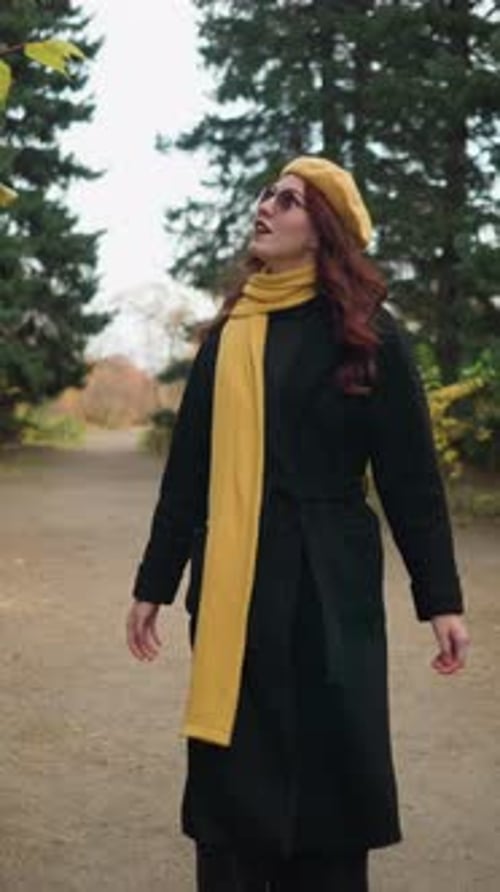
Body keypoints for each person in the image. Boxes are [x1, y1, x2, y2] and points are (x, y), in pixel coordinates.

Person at [126, 155, 470, 892]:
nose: (267, 206)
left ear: (324, 231)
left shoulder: (370, 334)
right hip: (234, 584)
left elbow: (410, 480)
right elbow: (188, 470)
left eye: (289, 200)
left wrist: (440, 599)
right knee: (235, 779)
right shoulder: (230, 334)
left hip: (330, 586)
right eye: (267, 193)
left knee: (330, 772)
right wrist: (153, 583)